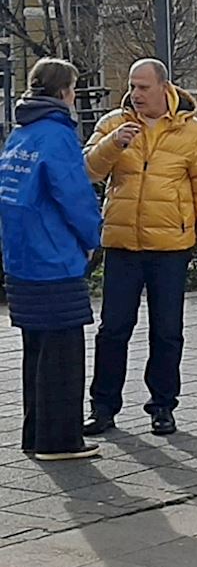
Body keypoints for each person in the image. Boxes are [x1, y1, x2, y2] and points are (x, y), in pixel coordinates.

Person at [82, 58, 197, 438]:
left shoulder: (193, 133)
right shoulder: (113, 124)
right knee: (113, 329)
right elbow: (88, 170)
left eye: (144, 86)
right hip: (123, 244)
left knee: (167, 331)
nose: (136, 94)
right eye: (132, 86)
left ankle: (162, 406)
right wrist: (112, 146)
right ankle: (103, 407)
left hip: (169, 247)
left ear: (165, 88)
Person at [0, 59, 103, 461]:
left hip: (22, 258)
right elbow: (75, 196)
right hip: (54, 258)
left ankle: (35, 433)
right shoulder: (58, 137)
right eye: (73, 88)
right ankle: (59, 440)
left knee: (36, 352)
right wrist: (92, 237)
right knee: (62, 354)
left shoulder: (19, 134)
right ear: (63, 93)